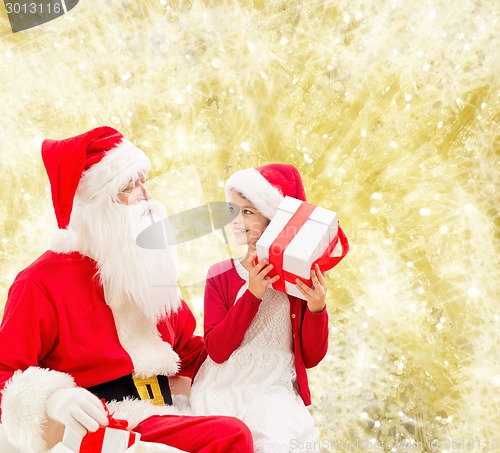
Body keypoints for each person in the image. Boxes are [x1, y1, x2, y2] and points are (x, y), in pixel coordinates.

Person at [0, 126, 253, 453]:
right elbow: (5, 371)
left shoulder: (147, 265)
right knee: (229, 435)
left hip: (167, 407)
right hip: (109, 419)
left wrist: (252, 344)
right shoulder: (40, 281)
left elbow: (187, 348)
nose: (145, 196)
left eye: (143, 182)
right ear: (94, 205)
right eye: (127, 187)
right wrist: (54, 398)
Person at [190, 164, 329, 452]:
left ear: (275, 220)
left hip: (276, 387)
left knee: (280, 438)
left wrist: (317, 309)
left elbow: (312, 356)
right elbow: (216, 349)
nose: (236, 220)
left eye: (248, 211)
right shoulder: (221, 274)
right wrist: (252, 293)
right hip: (225, 384)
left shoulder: (299, 281)